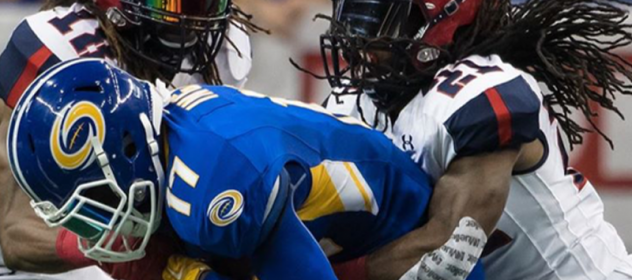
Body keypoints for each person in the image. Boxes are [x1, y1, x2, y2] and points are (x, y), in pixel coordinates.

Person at [307, 0, 632, 280]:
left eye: (380, 21)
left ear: (440, 21)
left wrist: (319, 272)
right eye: (356, 19)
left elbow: (446, 258)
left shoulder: (477, 94)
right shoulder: (354, 104)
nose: (360, 42)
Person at [6, 58, 487, 280]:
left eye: (98, 205)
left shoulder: (211, 175)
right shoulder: (170, 149)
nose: (98, 228)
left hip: (411, 254)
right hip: (320, 242)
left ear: (129, 149)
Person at [0, 0, 258, 278]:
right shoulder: (63, 56)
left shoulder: (226, 49)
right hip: (52, 257)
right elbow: (14, 235)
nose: (194, 22)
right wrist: (135, 251)